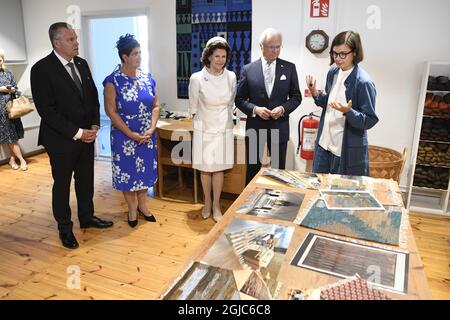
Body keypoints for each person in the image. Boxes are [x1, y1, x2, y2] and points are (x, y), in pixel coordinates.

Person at [31, 23, 113, 249]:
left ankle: (87, 218)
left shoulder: (81, 63)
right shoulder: (41, 69)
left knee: (86, 181)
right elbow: (47, 111)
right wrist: (78, 133)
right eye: (71, 39)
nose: (76, 43)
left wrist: (95, 125)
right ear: (56, 43)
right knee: (62, 184)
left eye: (76, 38)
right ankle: (65, 228)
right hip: (61, 140)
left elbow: (92, 97)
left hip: (87, 137)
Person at [103, 34, 159, 228]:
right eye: (135, 54)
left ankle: (144, 206)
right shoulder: (113, 81)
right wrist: (130, 134)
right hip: (124, 137)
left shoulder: (147, 78)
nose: (139, 57)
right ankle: (132, 209)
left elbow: (156, 105)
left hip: (146, 135)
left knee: (143, 173)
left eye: (140, 53)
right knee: (128, 173)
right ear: (124, 57)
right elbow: (110, 111)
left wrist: (151, 128)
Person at [235, 28, 302, 185]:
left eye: (278, 46)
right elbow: (239, 99)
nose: (276, 50)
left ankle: (277, 203)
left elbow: (296, 97)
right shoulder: (248, 69)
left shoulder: (290, 68)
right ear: (261, 46)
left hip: (279, 126)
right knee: (252, 168)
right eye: (271, 46)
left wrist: (283, 108)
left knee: (278, 171)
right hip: (255, 127)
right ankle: (248, 204)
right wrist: (255, 109)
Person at [306, 31, 378, 176]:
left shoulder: (364, 82)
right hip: (323, 145)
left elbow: (369, 120)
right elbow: (328, 103)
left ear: (355, 53)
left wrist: (348, 112)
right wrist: (314, 92)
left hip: (344, 150)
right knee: (318, 187)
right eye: (334, 53)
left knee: (340, 194)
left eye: (343, 54)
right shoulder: (333, 72)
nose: (338, 59)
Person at [189, 36, 236, 222]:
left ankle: (216, 204)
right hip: (204, 127)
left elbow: (231, 103)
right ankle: (206, 202)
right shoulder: (197, 78)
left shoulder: (231, 76)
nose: (220, 60)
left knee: (219, 169)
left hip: (223, 127)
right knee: (205, 169)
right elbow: (193, 108)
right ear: (208, 56)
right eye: (217, 56)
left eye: (223, 56)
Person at [0, 50, 28, 171]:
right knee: (10, 136)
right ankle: (22, 160)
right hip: (1, 109)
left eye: (0, 59)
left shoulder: (8, 73)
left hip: (12, 107)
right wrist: (2, 89)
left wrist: (12, 89)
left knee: (11, 135)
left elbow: (15, 87)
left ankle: (12, 160)